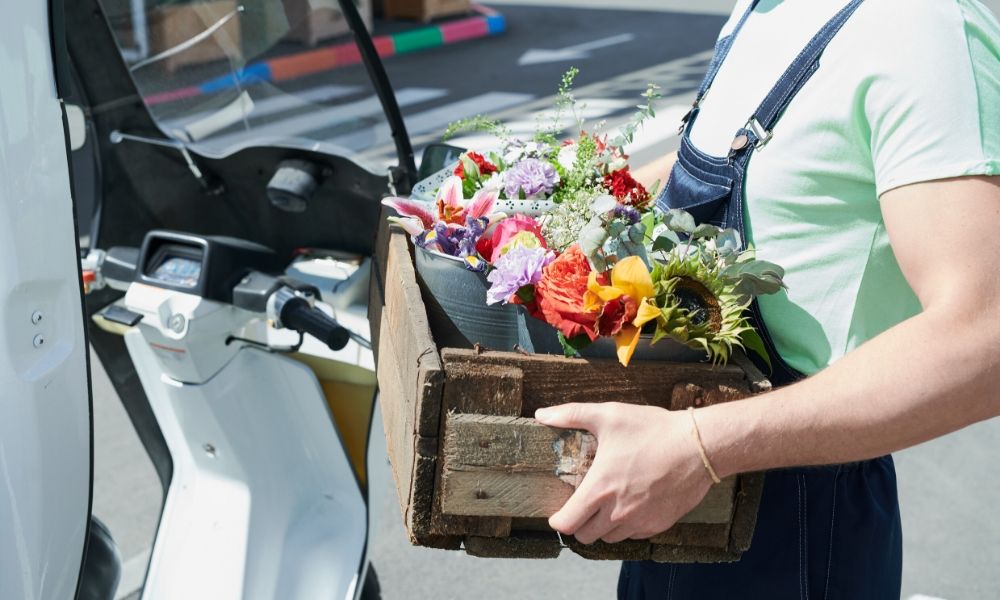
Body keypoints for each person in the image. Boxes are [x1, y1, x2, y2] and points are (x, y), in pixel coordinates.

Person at [534, 0, 1000, 597]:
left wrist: (701, 448)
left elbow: (983, 335)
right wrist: (552, 213)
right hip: (675, 496)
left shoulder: (928, 29)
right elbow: (724, 182)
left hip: (797, 532)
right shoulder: (761, 10)